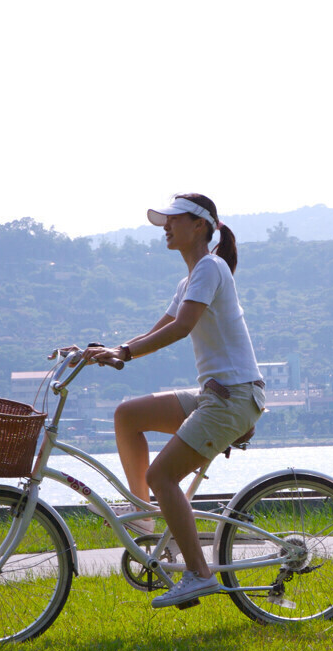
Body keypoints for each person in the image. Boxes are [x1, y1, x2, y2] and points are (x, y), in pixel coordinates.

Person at [83, 193, 265, 608]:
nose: (165, 227)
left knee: (162, 476)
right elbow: (159, 328)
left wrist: (125, 354)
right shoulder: (189, 280)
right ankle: (146, 522)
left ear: (200, 225)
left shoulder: (211, 267)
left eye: (173, 220)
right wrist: (107, 349)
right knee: (128, 414)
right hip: (214, 395)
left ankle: (199, 575)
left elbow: (182, 328)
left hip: (233, 398)